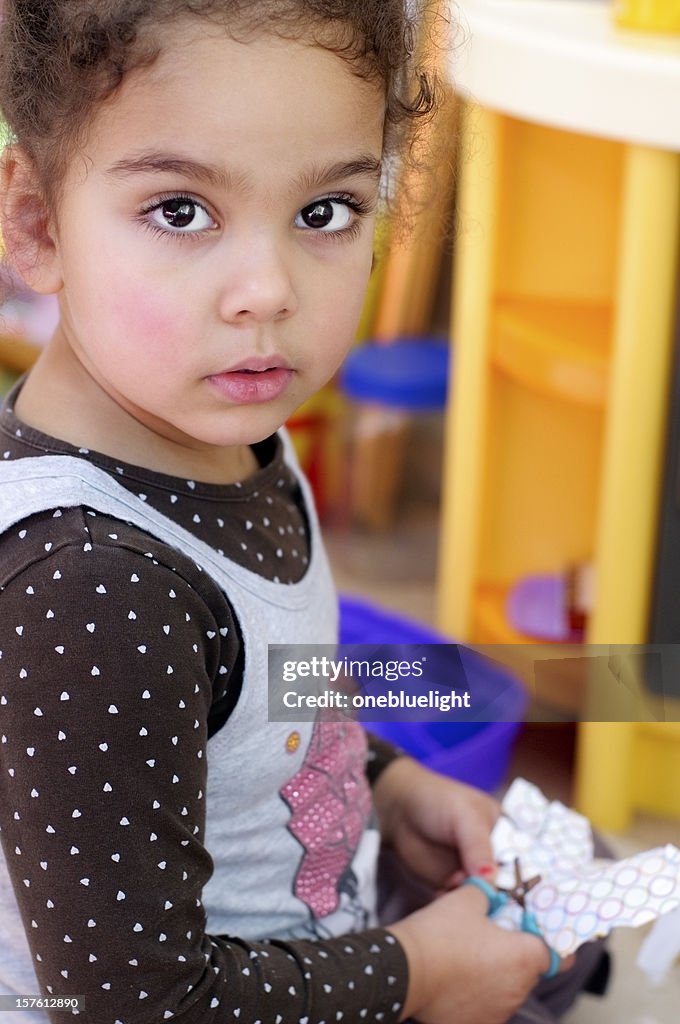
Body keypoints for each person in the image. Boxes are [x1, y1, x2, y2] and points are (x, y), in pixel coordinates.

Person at [0, 2, 608, 1022]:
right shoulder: (89, 586)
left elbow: (259, 718)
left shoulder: (228, 428)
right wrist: (416, 976)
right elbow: (133, 1003)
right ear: (37, 226)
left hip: (308, 941)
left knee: (554, 936)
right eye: (181, 210)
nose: (266, 290)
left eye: (325, 211)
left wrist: (387, 781)